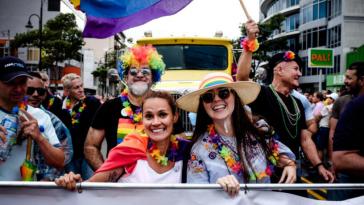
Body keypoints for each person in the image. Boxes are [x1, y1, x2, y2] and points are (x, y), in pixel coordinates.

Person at [177, 73, 297, 194]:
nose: (217, 99)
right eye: (208, 97)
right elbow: (196, 195)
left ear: (235, 96)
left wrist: (290, 165)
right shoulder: (199, 150)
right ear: (203, 105)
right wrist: (217, 186)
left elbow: (282, 154)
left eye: (224, 93)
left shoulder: (258, 136)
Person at [236, 49, 334, 184]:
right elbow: (241, 80)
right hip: (266, 172)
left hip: (291, 169)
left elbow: (305, 139)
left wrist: (319, 165)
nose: (300, 73)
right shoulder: (262, 93)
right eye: (296, 69)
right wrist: (249, 44)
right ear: (279, 70)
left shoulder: (297, 103)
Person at [84, 45, 167, 171]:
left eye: (145, 71)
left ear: (153, 77)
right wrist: (106, 175)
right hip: (120, 185)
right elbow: (90, 146)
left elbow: (178, 141)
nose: (139, 75)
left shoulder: (164, 106)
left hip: (155, 181)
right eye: (133, 72)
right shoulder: (109, 107)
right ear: (126, 78)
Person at [0, 56, 64, 180]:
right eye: (10, 83)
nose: (18, 89)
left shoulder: (40, 116)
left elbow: (59, 161)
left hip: (25, 195)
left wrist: (39, 137)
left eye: (22, 82)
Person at [26, 71, 73, 181]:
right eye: (30, 90)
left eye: (41, 91)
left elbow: (66, 153)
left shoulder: (52, 120)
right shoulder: (9, 117)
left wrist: (47, 179)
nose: (35, 94)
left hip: (44, 186)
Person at [61, 73, 101, 180]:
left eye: (81, 86)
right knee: (72, 186)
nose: (81, 90)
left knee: (90, 186)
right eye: (76, 87)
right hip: (69, 156)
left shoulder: (91, 102)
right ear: (68, 91)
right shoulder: (62, 106)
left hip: (87, 154)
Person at [332, 95, 364, 200]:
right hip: (349, 179)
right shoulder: (355, 105)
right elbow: (340, 158)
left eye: (349, 77)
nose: (346, 81)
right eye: (347, 77)